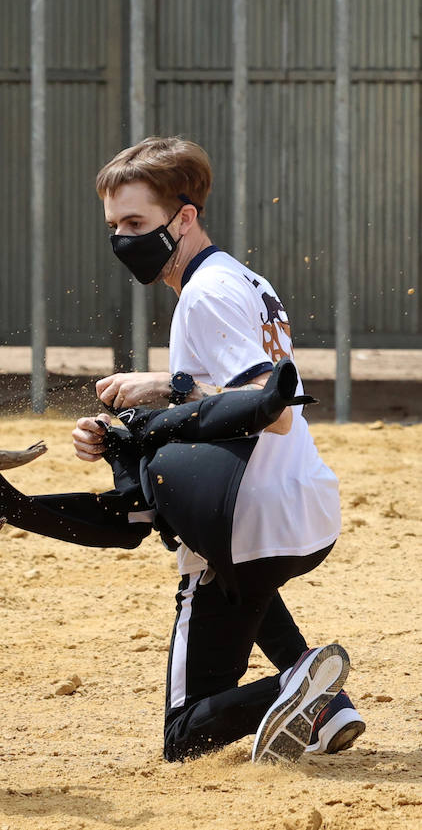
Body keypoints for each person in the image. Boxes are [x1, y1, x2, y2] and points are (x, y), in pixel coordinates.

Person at [69, 136, 361, 764]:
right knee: (243, 585)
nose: (123, 239)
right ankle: (328, 705)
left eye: (136, 223)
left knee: (185, 740)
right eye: (114, 226)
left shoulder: (207, 293)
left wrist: (162, 385)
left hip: (246, 518)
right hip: (298, 505)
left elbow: (270, 409)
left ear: (185, 217)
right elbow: (229, 401)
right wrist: (130, 427)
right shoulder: (239, 278)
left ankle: (296, 689)